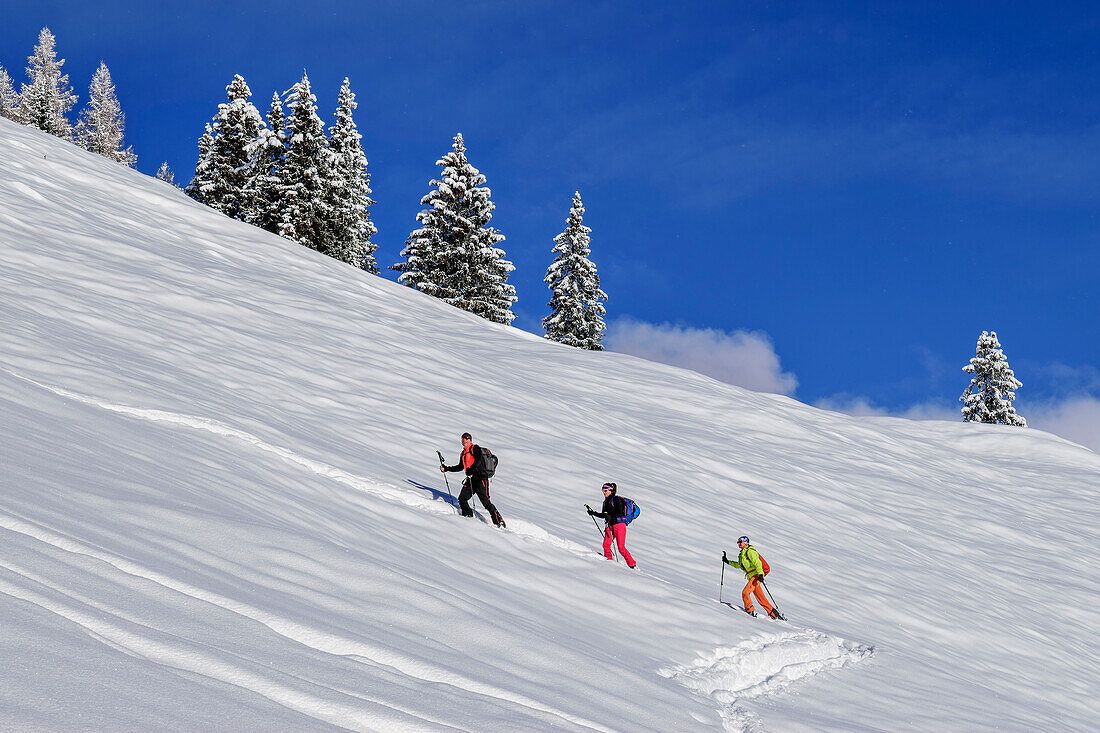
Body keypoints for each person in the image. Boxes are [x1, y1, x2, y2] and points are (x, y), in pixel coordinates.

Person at [441, 432, 505, 527]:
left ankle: (498, 521)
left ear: (470, 440)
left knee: (486, 503)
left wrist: (472, 469)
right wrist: (446, 468)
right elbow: (460, 467)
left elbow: (478, 460)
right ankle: (468, 517)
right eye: (463, 439)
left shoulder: (475, 448)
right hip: (471, 479)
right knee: (462, 499)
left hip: (481, 479)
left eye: (467, 439)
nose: (465, 441)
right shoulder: (463, 453)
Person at [723, 536, 780, 619]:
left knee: (745, 593)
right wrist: (727, 561)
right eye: (738, 542)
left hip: (756, 576)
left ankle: (749, 610)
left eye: (740, 542)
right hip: (752, 576)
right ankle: (775, 615)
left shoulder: (750, 551)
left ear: (745, 542)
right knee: (761, 598)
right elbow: (739, 565)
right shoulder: (742, 554)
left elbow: (757, 563)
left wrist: (760, 575)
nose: (738, 544)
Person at [587, 482, 637, 568]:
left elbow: (620, 513)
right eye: (603, 490)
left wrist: (611, 517)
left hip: (619, 525)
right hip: (610, 526)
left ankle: (632, 564)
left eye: (605, 490)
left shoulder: (616, 499)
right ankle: (609, 563)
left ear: (611, 490)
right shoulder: (605, 502)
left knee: (621, 548)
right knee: (606, 545)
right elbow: (604, 515)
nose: (604, 492)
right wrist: (593, 513)